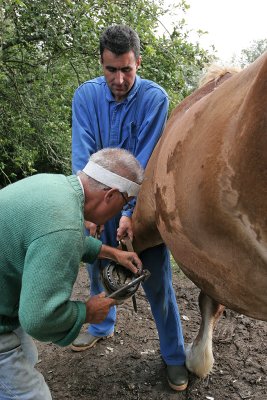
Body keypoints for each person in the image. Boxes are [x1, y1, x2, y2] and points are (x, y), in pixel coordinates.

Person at [71, 25, 188, 391]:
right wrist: (86, 212)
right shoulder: (85, 96)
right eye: (110, 70)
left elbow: (145, 161)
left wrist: (128, 213)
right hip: (96, 203)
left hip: (139, 211)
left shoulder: (156, 99)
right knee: (97, 266)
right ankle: (102, 324)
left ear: (138, 61)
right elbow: (83, 156)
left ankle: (174, 356)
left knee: (155, 279)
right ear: (101, 64)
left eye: (127, 69)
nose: (119, 79)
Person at [0, 147, 144, 399]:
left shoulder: (56, 188)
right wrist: (86, 312)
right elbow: (39, 319)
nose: (121, 212)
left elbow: (60, 235)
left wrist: (113, 253)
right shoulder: (64, 225)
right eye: (126, 203)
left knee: (28, 355)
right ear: (110, 195)